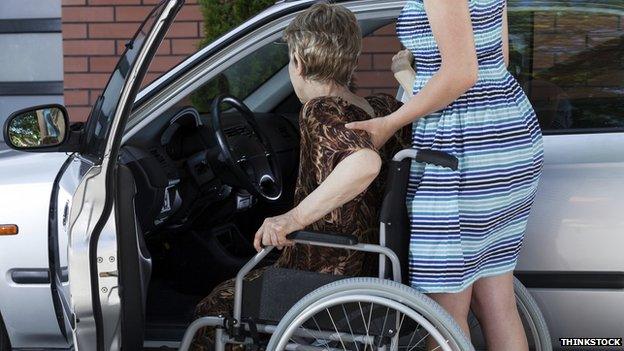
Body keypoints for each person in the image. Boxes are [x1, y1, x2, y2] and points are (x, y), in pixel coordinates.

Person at [189, 4, 409, 350]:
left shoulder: (320, 109)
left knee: (213, 308)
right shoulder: (381, 109)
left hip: (320, 277)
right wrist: (408, 80)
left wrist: (291, 217)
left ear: (299, 64)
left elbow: (364, 163)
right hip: (362, 267)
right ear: (350, 59)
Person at [346, 1, 544, 350]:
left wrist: (388, 123)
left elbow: (461, 74)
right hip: (507, 135)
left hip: (463, 150)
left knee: (443, 314)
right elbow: (496, 57)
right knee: (495, 298)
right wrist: (420, 74)